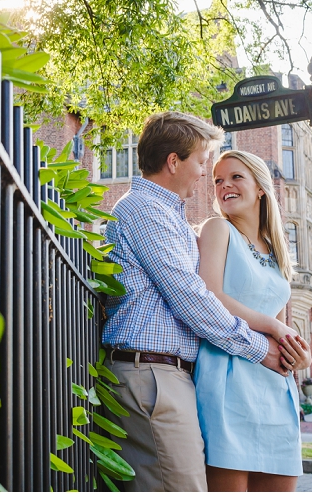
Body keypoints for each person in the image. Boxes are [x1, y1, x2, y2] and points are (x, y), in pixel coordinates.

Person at [101, 112, 293, 492]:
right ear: (174, 161)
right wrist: (263, 348)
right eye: (203, 162)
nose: (206, 175)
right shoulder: (144, 210)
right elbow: (193, 299)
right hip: (151, 375)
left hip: (168, 375)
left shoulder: (167, 214)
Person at [194, 150, 311, 491]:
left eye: (235, 177)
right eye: (217, 180)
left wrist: (300, 355)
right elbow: (210, 294)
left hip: (275, 388)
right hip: (227, 382)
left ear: (260, 187)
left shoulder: (276, 253)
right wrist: (276, 327)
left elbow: (278, 327)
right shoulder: (218, 229)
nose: (224, 186)